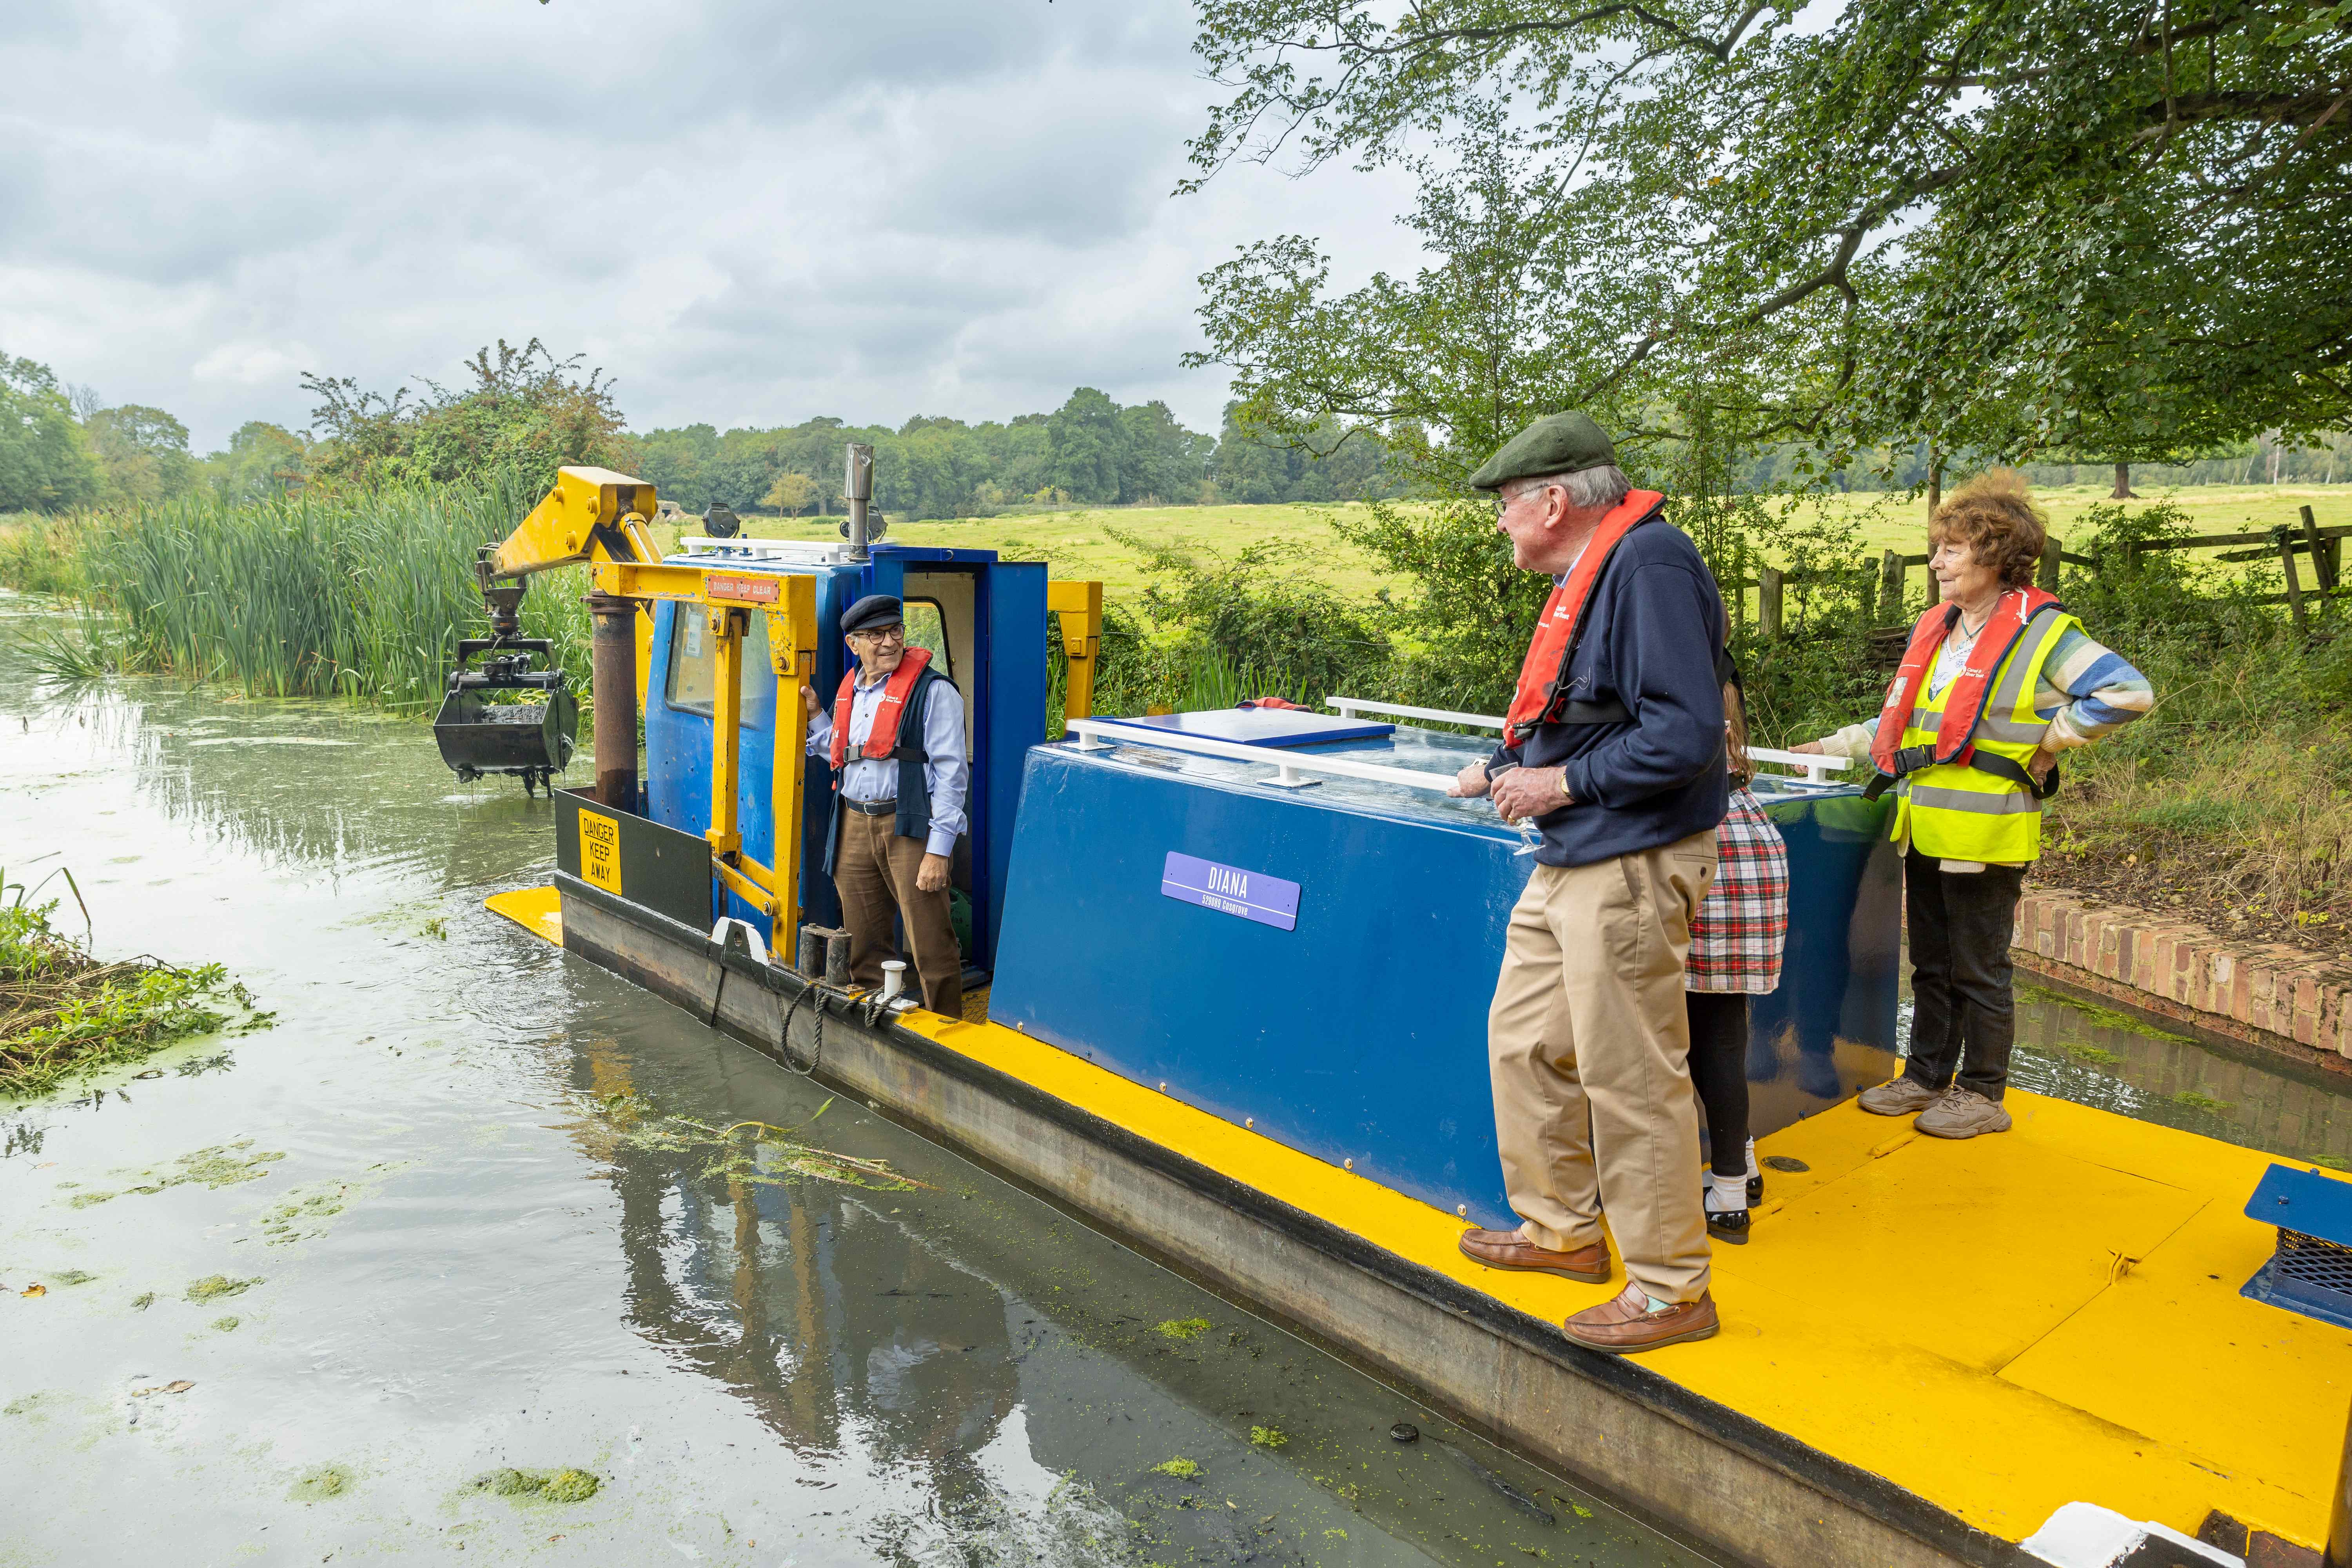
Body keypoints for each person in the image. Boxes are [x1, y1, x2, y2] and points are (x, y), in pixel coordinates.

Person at [1445, 411, 1730, 1355]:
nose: (1499, 524)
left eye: (1506, 505)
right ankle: (1562, 1230)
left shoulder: (1647, 564)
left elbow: (1684, 734)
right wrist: (1501, 761)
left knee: (1631, 1075)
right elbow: (1581, 704)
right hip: (1576, 851)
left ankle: (1670, 1290)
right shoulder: (1593, 568)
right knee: (1523, 1041)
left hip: (1630, 856)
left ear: (1554, 501)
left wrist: (1557, 782)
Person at [1791, 473, 2151, 1137]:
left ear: (1995, 555)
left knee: (1980, 970)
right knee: (1931, 964)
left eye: (1951, 551)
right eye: (1940, 550)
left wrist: (2057, 738)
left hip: (1987, 834)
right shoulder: (1943, 630)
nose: (1937, 564)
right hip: (1924, 826)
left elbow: (2128, 693)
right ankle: (1928, 1077)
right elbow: (1910, 724)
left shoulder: (2045, 633)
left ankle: (1983, 1093)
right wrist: (1832, 745)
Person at [802, 594, 968, 1018]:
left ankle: (948, 1029)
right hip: (854, 822)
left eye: (895, 631)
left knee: (930, 941)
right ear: (854, 643)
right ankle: (879, 1020)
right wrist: (819, 717)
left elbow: (952, 775)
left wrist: (938, 850)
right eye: (875, 635)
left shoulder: (934, 692)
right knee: (863, 941)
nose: (889, 642)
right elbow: (845, 754)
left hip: (909, 825)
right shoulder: (851, 692)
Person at [1684, 677, 1788, 1245]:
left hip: (1709, 857)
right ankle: (1741, 1166)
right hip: (1749, 845)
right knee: (1722, 1036)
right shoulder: (1715, 677)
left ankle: (1726, 1199)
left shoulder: (1669, 675)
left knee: (1705, 1046)